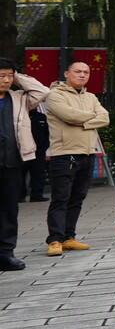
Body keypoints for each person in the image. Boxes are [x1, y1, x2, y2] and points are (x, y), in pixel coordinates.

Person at [42, 60, 109, 257]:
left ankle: (68, 237)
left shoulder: (90, 97)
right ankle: (55, 239)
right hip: (64, 154)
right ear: (66, 74)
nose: (82, 75)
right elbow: (68, 115)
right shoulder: (55, 95)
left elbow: (105, 117)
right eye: (77, 71)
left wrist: (84, 123)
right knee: (61, 198)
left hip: (87, 152)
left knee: (77, 197)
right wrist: (90, 117)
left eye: (86, 72)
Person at [1, 59, 52, 271]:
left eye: (9, 76)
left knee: (8, 210)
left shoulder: (18, 98)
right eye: (1, 76)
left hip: (11, 162)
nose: (6, 80)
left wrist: (17, 76)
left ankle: (5, 252)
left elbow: (42, 91)